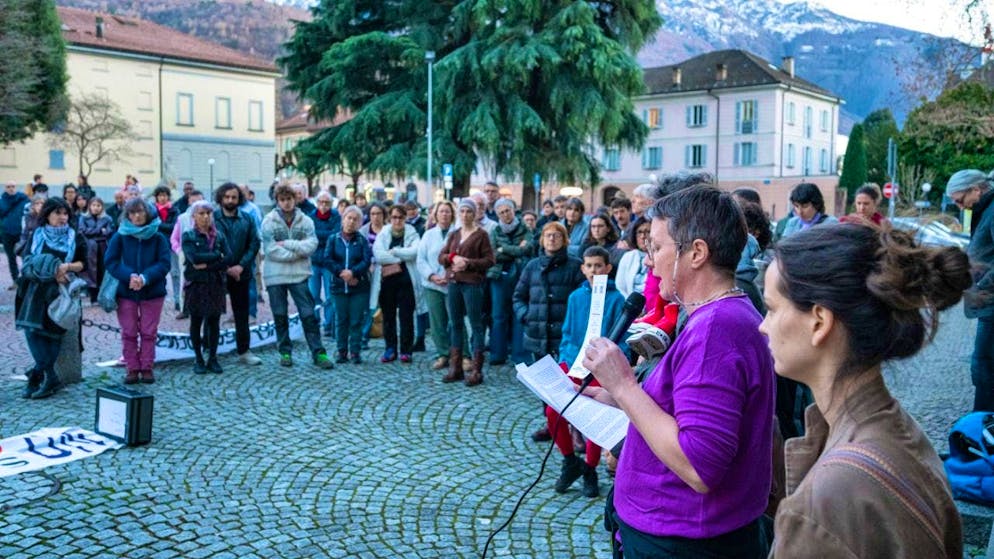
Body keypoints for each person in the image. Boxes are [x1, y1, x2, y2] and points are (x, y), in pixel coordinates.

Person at [581, 187, 775, 558]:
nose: (649, 260)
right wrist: (618, 400)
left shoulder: (716, 329)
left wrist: (624, 386)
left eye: (656, 247)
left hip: (684, 538)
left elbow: (698, 465)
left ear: (697, 253)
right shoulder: (718, 315)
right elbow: (687, 411)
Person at [763, 223, 968, 557]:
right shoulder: (899, 429)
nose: (762, 325)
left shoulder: (824, 501)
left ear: (819, 322)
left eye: (771, 309)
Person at [548, 246, 627, 498]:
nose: (593, 271)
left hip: (601, 367)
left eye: (598, 266)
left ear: (607, 268)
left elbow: (623, 339)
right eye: (589, 266)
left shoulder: (617, 300)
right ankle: (570, 461)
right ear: (582, 268)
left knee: (595, 416)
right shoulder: (575, 297)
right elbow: (568, 334)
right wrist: (565, 361)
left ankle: (590, 468)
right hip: (574, 363)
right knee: (553, 411)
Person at [15, 197, 87, 399]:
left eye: (65, 213)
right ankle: (48, 376)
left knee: (53, 336)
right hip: (35, 291)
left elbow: (84, 263)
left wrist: (67, 267)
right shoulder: (36, 235)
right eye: (57, 213)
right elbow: (28, 261)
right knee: (32, 333)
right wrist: (48, 271)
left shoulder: (75, 237)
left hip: (60, 294)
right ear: (47, 214)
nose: (62, 217)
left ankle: (37, 376)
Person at [262, 184, 334, 369]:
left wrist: (287, 244)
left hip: (300, 275)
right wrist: (298, 252)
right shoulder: (268, 221)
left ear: (295, 199)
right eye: (283, 200)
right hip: (275, 276)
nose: (286, 203)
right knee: (280, 315)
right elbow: (270, 250)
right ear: (278, 201)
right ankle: (285, 352)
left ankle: (318, 353)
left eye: (289, 199)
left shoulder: (306, 221)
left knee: (308, 315)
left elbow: (312, 245)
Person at [104, 198, 171, 385]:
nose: (137, 216)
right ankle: (132, 367)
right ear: (128, 215)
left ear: (148, 213)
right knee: (129, 331)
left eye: (140, 212)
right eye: (133, 213)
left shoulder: (157, 236)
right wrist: (130, 276)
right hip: (126, 291)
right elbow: (111, 261)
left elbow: (164, 263)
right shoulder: (120, 236)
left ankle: (147, 366)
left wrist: (145, 278)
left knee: (149, 331)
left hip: (153, 291)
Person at [948, 169, 994, 410]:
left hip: (991, 305)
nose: (960, 207)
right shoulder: (985, 209)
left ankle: (983, 425)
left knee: (983, 366)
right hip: (988, 304)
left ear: (976, 189)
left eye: (960, 200)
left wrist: (982, 285)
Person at [440, 198, 496, 385]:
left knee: (476, 324)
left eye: (469, 212)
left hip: (472, 284)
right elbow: (442, 256)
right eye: (462, 211)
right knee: (455, 324)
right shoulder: (454, 234)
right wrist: (453, 258)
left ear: (474, 214)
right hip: (454, 283)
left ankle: (477, 370)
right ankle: (455, 367)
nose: (465, 215)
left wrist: (468, 263)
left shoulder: (481, 235)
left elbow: (489, 260)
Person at [214, 183, 262, 365]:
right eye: (226, 197)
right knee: (213, 314)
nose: (230, 200)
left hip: (242, 273)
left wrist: (241, 266)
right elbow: (210, 244)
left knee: (241, 314)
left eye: (233, 197)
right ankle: (211, 351)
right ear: (221, 198)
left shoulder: (247, 218)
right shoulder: (212, 218)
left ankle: (244, 350)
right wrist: (225, 267)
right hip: (218, 273)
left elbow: (254, 244)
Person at [182, 201, 230, 375]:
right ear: (194, 216)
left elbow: (228, 258)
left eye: (208, 213)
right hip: (196, 284)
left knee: (214, 321)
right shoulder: (188, 235)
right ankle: (198, 358)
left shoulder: (220, 236)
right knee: (196, 321)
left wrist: (210, 263)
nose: (205, 217)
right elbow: (194, 258)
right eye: (201, 213)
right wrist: (217, 256)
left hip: (215, 283)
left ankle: (213, 358)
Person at [321, 205, 372, 364]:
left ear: (359, 223)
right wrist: (341, 273)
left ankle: (355, 351)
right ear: (343, 219)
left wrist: (354, 273)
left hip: (359, 287)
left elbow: (366, 261)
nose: (351, 222)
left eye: (355, 219)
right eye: (348, 218)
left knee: (356, 320)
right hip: (338, 286)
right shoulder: (333, 239)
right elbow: (327, 259)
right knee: (341, 320)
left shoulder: (362, 240)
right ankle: (341, 351)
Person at [373, 205, 422, 363]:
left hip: (407, 282)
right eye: (394, 217)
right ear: (389, 218)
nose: (397, 220)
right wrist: (401, 256)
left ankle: (406, 350)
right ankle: (390, 348)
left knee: (406, 317)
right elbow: (379, 255)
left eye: (401, 217)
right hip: (387, 282)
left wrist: (394, 252)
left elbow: (415, 252)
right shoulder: (384, 233)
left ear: (405, 218)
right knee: (388, 316)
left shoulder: (412, 232)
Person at [416, 201, 462, 370]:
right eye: (441, 212)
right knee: (437, 322)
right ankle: (443, 353)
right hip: (432, 284)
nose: (444, 215)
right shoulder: (428, 235)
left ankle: (463, 355)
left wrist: (448, 276)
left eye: (447, 212)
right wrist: (433, 276)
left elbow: (461, 258)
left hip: (453, 283)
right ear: (435, 215)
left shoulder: (458, 234)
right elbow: (421, 259)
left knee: (456, 320)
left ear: (452, 215)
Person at [488, 198, 534, 365]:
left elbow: (528, 248)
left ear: (514, 210)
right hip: (499, 277)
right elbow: (493, 254)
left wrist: (504, 248)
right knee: (498, 316)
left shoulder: (525, 228)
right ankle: (497, 354)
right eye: (501, 212)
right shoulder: (495, 230)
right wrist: (516, 249)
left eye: (508, 210)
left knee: (519, 314)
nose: (505, 214)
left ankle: (519, 355)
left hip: (521, 277)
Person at [309, 191, 341, 338]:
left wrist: (319, 235)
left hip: (329, 262)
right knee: (313, 295)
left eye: (326, 202)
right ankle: (314, 322)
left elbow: (334, 236)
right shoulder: (310, 216)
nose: (323, 205)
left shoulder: (336, 216)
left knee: (329, 296)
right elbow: (310, 236)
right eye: (321, 202)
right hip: (313, 261)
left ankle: (328, 325)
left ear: (331, 204)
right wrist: (325, 235)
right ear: (317, 203)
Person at [170, 190, 205, 319]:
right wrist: (179, 251)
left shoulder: (209, 217)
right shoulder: (182, 218)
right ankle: (185, 308)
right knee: (186, 281)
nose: (196, 204)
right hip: (186, 255)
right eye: (193, 201)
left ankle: (202, 306)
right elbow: (174, 238)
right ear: (189, 202)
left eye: (199, 201)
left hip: (205, 254)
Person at [359, 202, 387, 347]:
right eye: (373, 214)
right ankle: (364, 335)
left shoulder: (388, 230)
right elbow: (362, 251)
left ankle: (389, 336)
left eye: (378, 214)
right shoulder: (364, 230)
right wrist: (368, 262)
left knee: (387, 303)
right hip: (369, 271)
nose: (375, 217)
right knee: (369, 303)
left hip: (387, 270)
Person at [78, 197, 114, 305]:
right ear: (90, 206)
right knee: (90, 272)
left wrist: (96, 232)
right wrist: (99, 231)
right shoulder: (84, 218)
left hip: (103, 247)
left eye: (98, 205)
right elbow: (82, 231)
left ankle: (102, 295)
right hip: (90, 247)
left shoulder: (107, 219)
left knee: (102, 271)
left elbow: (109, 231)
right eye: (94, 205)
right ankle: (92, 296)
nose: (96, 208)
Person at [153, 185, 181, 312]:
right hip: (156, 245)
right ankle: (159, 297)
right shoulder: (152, 210)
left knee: (175, 272)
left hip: (171, 244)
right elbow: (152, 225)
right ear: (157, 197)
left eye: (165, 195)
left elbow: (173, 227)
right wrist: (160, 225)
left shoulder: (175, 210)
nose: (162, 198)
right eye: (160, 195)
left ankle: (177, 299)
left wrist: (159, 225)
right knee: (158, 273)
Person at [0, 181, 29, 289]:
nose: (11, 189)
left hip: (20, 233)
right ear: (5, 188)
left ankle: (26, 279)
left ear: (16, 187)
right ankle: (16, 281)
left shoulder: (23, 199)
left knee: (25, 256)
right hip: (6, 233)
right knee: (11, 258)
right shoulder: (2, 201)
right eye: (8, 187)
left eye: (13, 186)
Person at [615, 216, 651, 301]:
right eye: (639, 232)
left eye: (647, 232)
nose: (643, 236)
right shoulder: (628, 257)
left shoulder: (660, 256)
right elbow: (620, 287)